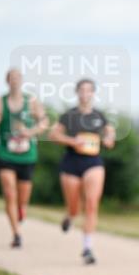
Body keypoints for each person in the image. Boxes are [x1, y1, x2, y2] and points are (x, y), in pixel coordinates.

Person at [48, 78, 116, 265]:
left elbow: (110, 132)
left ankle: (87, 248)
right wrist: (72, 141)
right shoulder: (69, 116)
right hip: (71, 163)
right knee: (74, 207)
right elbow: (53, 135)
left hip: (93, 162)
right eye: (82, 90)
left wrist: (109, 138)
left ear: (93, 93)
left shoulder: (99, 115)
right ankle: (69, 217)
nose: (85, 94)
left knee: (92, 204)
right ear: (77, 93)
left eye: (89, 90)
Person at [0, 68, 49, 248]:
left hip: (27, 155)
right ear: (7, 81)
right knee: (10, 193)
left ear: (22, 81)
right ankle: (16, 234)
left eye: (18, 78)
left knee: (22, 198)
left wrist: (32, 131)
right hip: (5, 152)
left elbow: (44, 121)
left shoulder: (31, 101)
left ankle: (21, 209)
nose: (15, 81)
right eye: (12, 78)